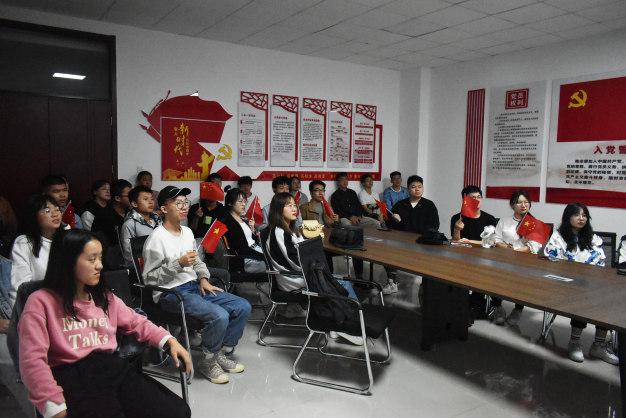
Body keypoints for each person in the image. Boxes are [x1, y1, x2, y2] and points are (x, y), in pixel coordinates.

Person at [18, 229, 191, 418]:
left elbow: (136, 322)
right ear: (68, 261)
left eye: (100, 258)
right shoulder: (41, 302)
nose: (100, 265)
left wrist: (168, 340)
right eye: (92, 259)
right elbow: (32, 359)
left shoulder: (103, 296)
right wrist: (52, 404)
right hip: (72, 376)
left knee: (177, 412)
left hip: (111, 367)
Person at [143, 186, 249, 384]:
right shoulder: (156, 238)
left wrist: (203, 278)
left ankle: (217, 353)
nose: (184, 207)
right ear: (164, 209)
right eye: (178, 203)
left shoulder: (187, 232)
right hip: (171, 293)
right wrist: (178, 264)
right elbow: (149, 279)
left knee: (242, 306)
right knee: (219, 315)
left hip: (194, 286)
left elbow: (197, 261)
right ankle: (208, 362)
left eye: (186, 203)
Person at [265, 192, 362, 345]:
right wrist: (319, 269)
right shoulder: (279, 232)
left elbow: (303, 255)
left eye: (294, 205)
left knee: (335, 280)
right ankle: (347, 327)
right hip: (292, 279)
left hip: (301, 274)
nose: (294, 209)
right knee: (340, 284)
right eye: (289, 206)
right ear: (278, 209)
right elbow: (295, 262)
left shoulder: (291, 229)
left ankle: (339, 324)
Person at [544, 203, 618, 365]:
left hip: (591, 282)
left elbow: (600, 262)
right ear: (568, 217)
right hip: (565, 283)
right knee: (582, 298)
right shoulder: (558, 237)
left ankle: (599, 345)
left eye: (584, 215)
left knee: (608, 299)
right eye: (576, 215)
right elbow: (553, 261)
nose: (581, 218)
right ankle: (575, 342)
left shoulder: (592, 238)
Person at [492, 190, 541, 326]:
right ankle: (497, 307)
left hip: (524, 262)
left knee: (522, 282)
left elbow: (534, 246)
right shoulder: (504, 221)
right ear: (512, 205)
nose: (523, 205)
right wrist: (506, 248)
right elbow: (496, 240)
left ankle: (518, 310)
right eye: (519, 202)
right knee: (493, 276)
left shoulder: (534, 223)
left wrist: (516, 252)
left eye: (526, 202)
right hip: (504, 258)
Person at [449, 185, 498, 321]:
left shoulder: (489, 219)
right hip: (462, 257)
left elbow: (491, 242)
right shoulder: (458, 217)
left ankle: (474, 307)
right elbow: (455, 241)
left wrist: (470, 241)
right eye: (473, 198)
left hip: (484, 257)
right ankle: (463, 304)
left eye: (479, 197)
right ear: (465, 200)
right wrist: (457, 230)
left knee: (481, 276)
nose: (477, 200)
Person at [387, 175, 439, 294]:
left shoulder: (429, 205)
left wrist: (422, 236)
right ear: (408, 189)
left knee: (430, 255)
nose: (417, 189)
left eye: (419, 187)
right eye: (413, 187)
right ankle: (391, 282)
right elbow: (389, 225)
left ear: (423, 189)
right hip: (402, 241)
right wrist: (395, 220)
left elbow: (434, 226)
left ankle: (424, 285)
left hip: (421, 241)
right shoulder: (400, 205)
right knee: (389, 250)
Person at [9, 195, 62, 303]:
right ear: (33, 216)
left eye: (57, 209)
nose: (55, 214)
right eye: (47, 211)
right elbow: (21, 285)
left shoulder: (67, 237)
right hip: (38, 302)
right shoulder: (24, 242)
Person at [300, 180, 341, 272]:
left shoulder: (328, 207)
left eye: (323, 190)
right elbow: (301, 226)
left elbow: (334, 226)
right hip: (314, 238)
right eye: (317, 190)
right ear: (311, 193)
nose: (321, 193)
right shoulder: (304, 208)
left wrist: (337, 221)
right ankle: (328, 276)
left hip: (329, 237)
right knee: (325, 253)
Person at [221, 188, 265, 274]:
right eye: (240, 201)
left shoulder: (242, 220)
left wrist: (252, 229)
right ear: (230, 203)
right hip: (246, 258)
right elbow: (241, 248)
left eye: (245, 201)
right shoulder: (230, 222)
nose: (243, 204)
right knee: (272, 263)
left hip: (255, 251)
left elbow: (252, 240)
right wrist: (263, 256)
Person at [120, 185, 161, 267]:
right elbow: (129, 256)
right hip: (144, 268)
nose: (151, 202)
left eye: (152, 199)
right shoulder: (130, 225)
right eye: (145, 199)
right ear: (135, 204)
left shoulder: (158, 220)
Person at [91, 179, 132, 248]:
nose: (133, 198)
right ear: (118, 198)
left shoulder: (131, 213)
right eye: (129, 196)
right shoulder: (103, 216)